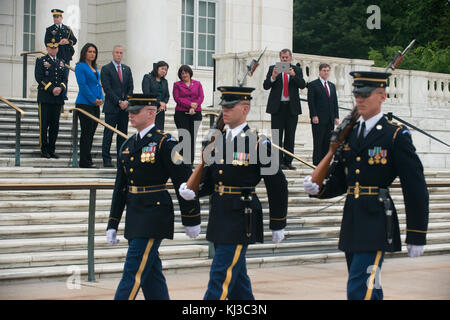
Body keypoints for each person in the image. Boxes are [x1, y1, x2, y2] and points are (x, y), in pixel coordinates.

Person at [303, 71, 429, 300]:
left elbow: (416, 187)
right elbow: (342, 180)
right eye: (357, 94)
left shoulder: (394, 135)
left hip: (377, 221)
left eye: (365, 94)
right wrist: (319, 189)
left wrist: (417, 233)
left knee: (359, 288)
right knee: (371, 286)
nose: (359, 99)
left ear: (382, 96)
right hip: (352, 220)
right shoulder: (350, 135)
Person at [179, 86, 288, 300]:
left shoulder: (258, 142)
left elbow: (277, 184)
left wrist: (278, 222)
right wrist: (194, 191)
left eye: (230, 106)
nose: (224, 111)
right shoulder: (216, 141)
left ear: (245, 108)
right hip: (219, 214)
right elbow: (212, 180)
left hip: (241, 216)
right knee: (238, 286)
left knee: (220, 277)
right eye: (223, 106)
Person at [106, 94, 201, 300]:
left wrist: (191, 218)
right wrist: (113, 222)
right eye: (129, 111)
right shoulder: (128, 145)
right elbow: (121, 187)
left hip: (154, 214)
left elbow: (184, 182)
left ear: (151, 113)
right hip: (134, 214)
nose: (130, 115)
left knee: (133, 272)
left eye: (135, 111)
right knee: (151, 275)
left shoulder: (165, 143)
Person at [263, 48, 306, 170]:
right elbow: (266, 86)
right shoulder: (273, 69)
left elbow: (302, 85)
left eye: (286, 57)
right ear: (280, 58)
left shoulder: (296, 70)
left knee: (290, 136)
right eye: (282, 57)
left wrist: (293, 76)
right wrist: (273, 77)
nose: (284, 59)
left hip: (292, 108)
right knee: (277, 135)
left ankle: (288, 161)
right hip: (277, 107)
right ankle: (278, 162)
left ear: (290, 58)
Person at [100, 45, 134, 168]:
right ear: (113, 54)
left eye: (121, 53)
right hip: (112, 107)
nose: (119, 55)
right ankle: (106, 159)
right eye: (117, 52)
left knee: (122, 134)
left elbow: (130, 87)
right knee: (108, 134)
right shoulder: (106, 69)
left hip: (124, 108)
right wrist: (119, 101)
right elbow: (107, 88)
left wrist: (126, 101)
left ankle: (121, 158)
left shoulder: (127, 69)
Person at [34, 38, 68, 159]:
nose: (54, 49)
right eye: (51, 48)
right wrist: (51, 88)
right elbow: (39, 77)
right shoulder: (41, 60)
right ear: (47, 49)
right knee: (44, 125)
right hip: (45, 97)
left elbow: (65, 79)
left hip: (57, 99)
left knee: (55, 125)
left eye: (55, 47)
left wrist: (60, 88)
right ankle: (44, 149)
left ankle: (51, 149)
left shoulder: (61, 62)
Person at [74, 43, 104, 168]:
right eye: (90, 51)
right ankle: (84, 161)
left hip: (95, 104)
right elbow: (83, 85)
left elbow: (98, 85)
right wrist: (93, 99)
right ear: (84, 53)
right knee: (86, 132)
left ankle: (88, 159)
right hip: (84, 103)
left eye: (94, 52)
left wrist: (101, 98)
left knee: (91, 132)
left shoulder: (95, 68)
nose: (92, 54)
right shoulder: (80, 67)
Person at [307, 63, 339, 165]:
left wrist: (336, 116)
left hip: (330, 119)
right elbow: (311, 102)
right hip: (319, 119)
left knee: (327, 143)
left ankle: (325, 163)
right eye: (324, 70)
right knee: (318, 142)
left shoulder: (332, 86)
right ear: (320, 71)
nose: (326, 72)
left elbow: (335, 102)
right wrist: (314, 115)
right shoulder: (313, 85)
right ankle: (316, 163)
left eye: (327, 70)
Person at [173, 65, 204, 165]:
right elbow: (177, 98)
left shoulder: (197, 84)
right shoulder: (177, 85)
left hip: (196, 114)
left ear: (190, 73)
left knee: (192, 138)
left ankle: (190, 163)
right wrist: (189, 104)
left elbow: (201, 97)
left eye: (186, 72)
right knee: (184, 138)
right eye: (182, 73)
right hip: (181, 114)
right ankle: (182, 163)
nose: (184, 75)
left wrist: (193, 107)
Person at [44, 9, 77, 101]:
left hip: (66, 56)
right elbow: (47, 42)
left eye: (57, 16)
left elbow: (74, 40)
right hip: (55, 56)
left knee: (65, 76)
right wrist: (58, 43)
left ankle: (64, 94)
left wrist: (67, 41)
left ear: (61, 18)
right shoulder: (50, 29)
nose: (55, 18)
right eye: (54, 17)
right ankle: (55, 92)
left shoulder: (67, 29)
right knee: (55, 75)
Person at [142, 61, 170, 130]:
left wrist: (163, 104)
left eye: (166, 70)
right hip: (150, 108)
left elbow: (167, 95)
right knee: (149, 131)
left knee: (159, 132)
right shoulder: (147, 77)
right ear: (157, 68)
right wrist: (159, 102)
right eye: (162, 69)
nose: (164, 71)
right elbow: (147, 94)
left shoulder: (164, 81)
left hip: (160, 110)